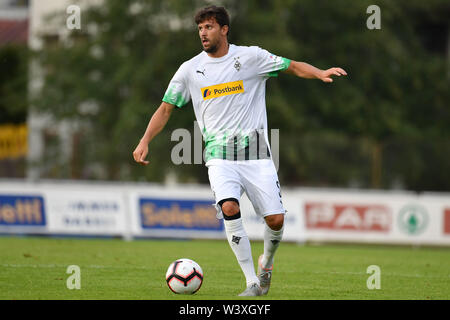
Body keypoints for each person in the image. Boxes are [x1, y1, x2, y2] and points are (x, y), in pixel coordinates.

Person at [133, 5, 347, 296]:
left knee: (275, 220)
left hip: (257, 154)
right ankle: (252, 283)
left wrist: (320, 72)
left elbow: (291, 65)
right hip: (219, 157)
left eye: (209, 27)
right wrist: (145, 140)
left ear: (224, 29)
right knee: (229, 207)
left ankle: (266, 263)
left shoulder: (251, 57)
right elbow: (166, 108)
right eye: (200, 29)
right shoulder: (189, 69)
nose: (203, 33)